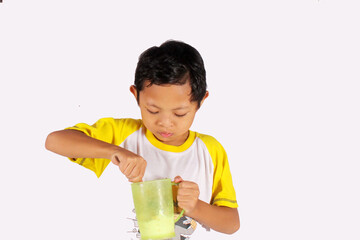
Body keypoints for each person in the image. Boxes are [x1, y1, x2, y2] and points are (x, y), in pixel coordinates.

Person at [45, 40, 240, 237]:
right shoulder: (123, 134)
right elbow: (54, 141)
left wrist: (195, 207)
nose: (165, 123)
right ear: (136, 95)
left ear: (201, 101)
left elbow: (231, 224)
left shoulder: (209, 150)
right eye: (152, 110)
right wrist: (115, 151)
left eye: (179, 113)